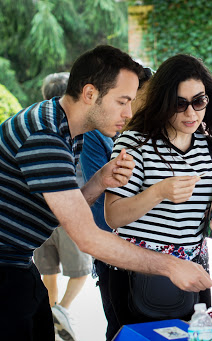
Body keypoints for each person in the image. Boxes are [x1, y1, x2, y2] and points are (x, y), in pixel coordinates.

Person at [0, 45, 212, 341]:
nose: (129, 113)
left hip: (19, 264)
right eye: (122, 101)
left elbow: (59, 215)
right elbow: (87, 237)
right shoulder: (44, 136)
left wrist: (98, 182)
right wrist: (170, 264)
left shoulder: (65, 130)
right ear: (90, 94)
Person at [104, 54, 212, 326]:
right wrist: (158, 192)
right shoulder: (134, 144)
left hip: (192, 272)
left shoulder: (209, 148)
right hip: (137, 275)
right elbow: (113, 216)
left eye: (199, 101)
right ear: (164, 102)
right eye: (180, 104)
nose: (191, 114)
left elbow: (210, 214)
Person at [79, 66, 154, 341]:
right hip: (113, 250)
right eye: (127, 101)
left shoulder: (160, 136)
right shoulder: (97, 135)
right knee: (123, 329)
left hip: (155, 252)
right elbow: (104, 206)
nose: (132, 110)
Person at [33, 72, 92, 341]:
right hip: (67, 217)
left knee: (48, 274)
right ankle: (61, 311)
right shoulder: (72, 134)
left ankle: (51, 316)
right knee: (81, 272)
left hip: (40, 217)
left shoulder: (38, 124)